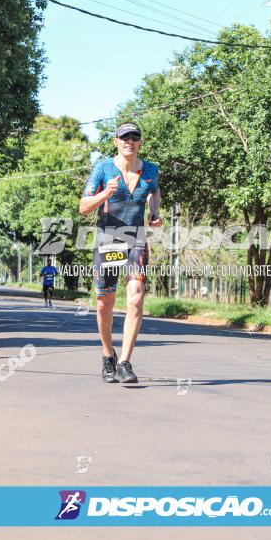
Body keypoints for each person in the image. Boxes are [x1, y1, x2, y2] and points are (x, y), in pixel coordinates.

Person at [79, 122, 161, 384]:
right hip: (109, 240)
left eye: (135, 137)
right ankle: (108, 356)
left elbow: (155, 190)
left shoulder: (150, 170)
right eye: (125, 137)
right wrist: (106, 192)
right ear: (116, 141)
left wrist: (154, 211)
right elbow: (83, 207)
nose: (130, 141)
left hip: (136, 238)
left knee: (136, 297)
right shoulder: (103, 169)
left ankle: (125, 362)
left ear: (140, 142)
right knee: (105, 303)